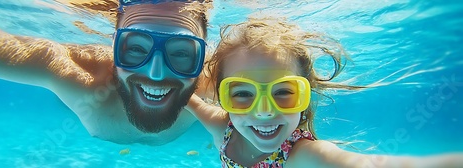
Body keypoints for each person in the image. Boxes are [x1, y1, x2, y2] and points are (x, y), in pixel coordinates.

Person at [186, 17, 463, 167]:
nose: (264, 110)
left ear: (306, 95)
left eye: (284, 92)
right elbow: (186, 96)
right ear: (223, 99)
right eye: (242, 94)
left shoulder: (301, 156)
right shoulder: (223, 126)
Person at [0, 0, 212, 145]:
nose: (156, 74)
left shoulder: (217, 80)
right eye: (135, 48)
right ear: (114, 47)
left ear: (203, 57)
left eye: (181, 53)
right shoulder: (78, 74)